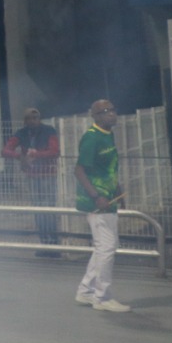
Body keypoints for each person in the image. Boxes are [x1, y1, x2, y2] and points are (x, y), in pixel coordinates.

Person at [74, 99, 130, 311]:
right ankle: (103, 297)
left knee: (103, 248)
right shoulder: (91, 138)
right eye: (105, 111)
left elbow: (109, 168)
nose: (111, 114)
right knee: (106, 248)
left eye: (113, 110)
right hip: (97, 203)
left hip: (108, 199)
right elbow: (79, 170)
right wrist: (96, 195)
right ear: (95, 116)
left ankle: (86, 291)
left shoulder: (108, 135)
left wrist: (118, 190)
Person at [2, 107, 61, 257]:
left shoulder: (49, 130)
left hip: (47, 174)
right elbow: (5, 150)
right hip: (33, 175)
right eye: (29, 118)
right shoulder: (21, 133)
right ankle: (45, 243)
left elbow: (55, 151)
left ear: (39, 119)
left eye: (35, 118)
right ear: (25, 120)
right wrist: (20, 157)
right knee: (39, 210)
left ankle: (53, 244)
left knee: (48, 209)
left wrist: (36, 155)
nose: (32, 121)